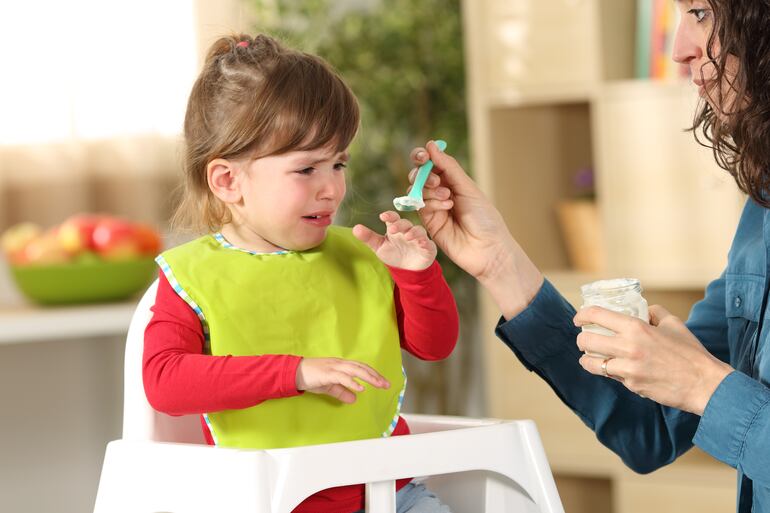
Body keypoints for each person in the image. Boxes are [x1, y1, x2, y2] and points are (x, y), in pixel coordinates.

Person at [406, 1, 770, 511]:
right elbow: (651, 429)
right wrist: (501, 265)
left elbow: (701, 392)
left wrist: (704, 387)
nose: (679, 49)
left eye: (702, 14)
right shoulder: (761, 213)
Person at [143, 33, 458, 513]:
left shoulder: (358, 254)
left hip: (393, 496)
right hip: (271, 503)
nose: (332, 187)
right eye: (306, 169)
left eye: (338, 162)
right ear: (228, 180)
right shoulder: (193, 276)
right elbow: (164, 381)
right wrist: (295, 372)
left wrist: (418, 276)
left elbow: (434, 346)